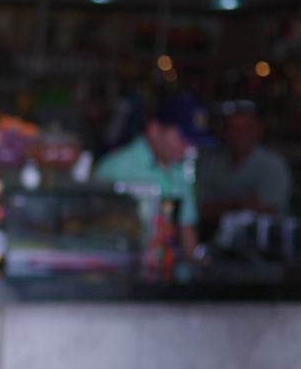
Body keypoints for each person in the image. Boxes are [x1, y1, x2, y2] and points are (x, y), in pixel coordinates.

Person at [93, 93, 214, 259]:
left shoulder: (181, 170)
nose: (188, 149)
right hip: (121, 268)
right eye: (182, 139)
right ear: (155, 130)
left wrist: (198, 265)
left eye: (192, 142)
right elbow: (96, 229)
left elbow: (186, 226)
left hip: (163, 268)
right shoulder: (114, 169)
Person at [197, 100, 292, 227]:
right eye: (233, 128)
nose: (240, 135)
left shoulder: (273, 165)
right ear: (224, 132)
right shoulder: (212, 163)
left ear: (259, 130)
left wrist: (221, 207)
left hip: (265, 241)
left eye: (247, 128)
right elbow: (201, 208)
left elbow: (263, 210)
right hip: (215, 236)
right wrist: (239, 205)